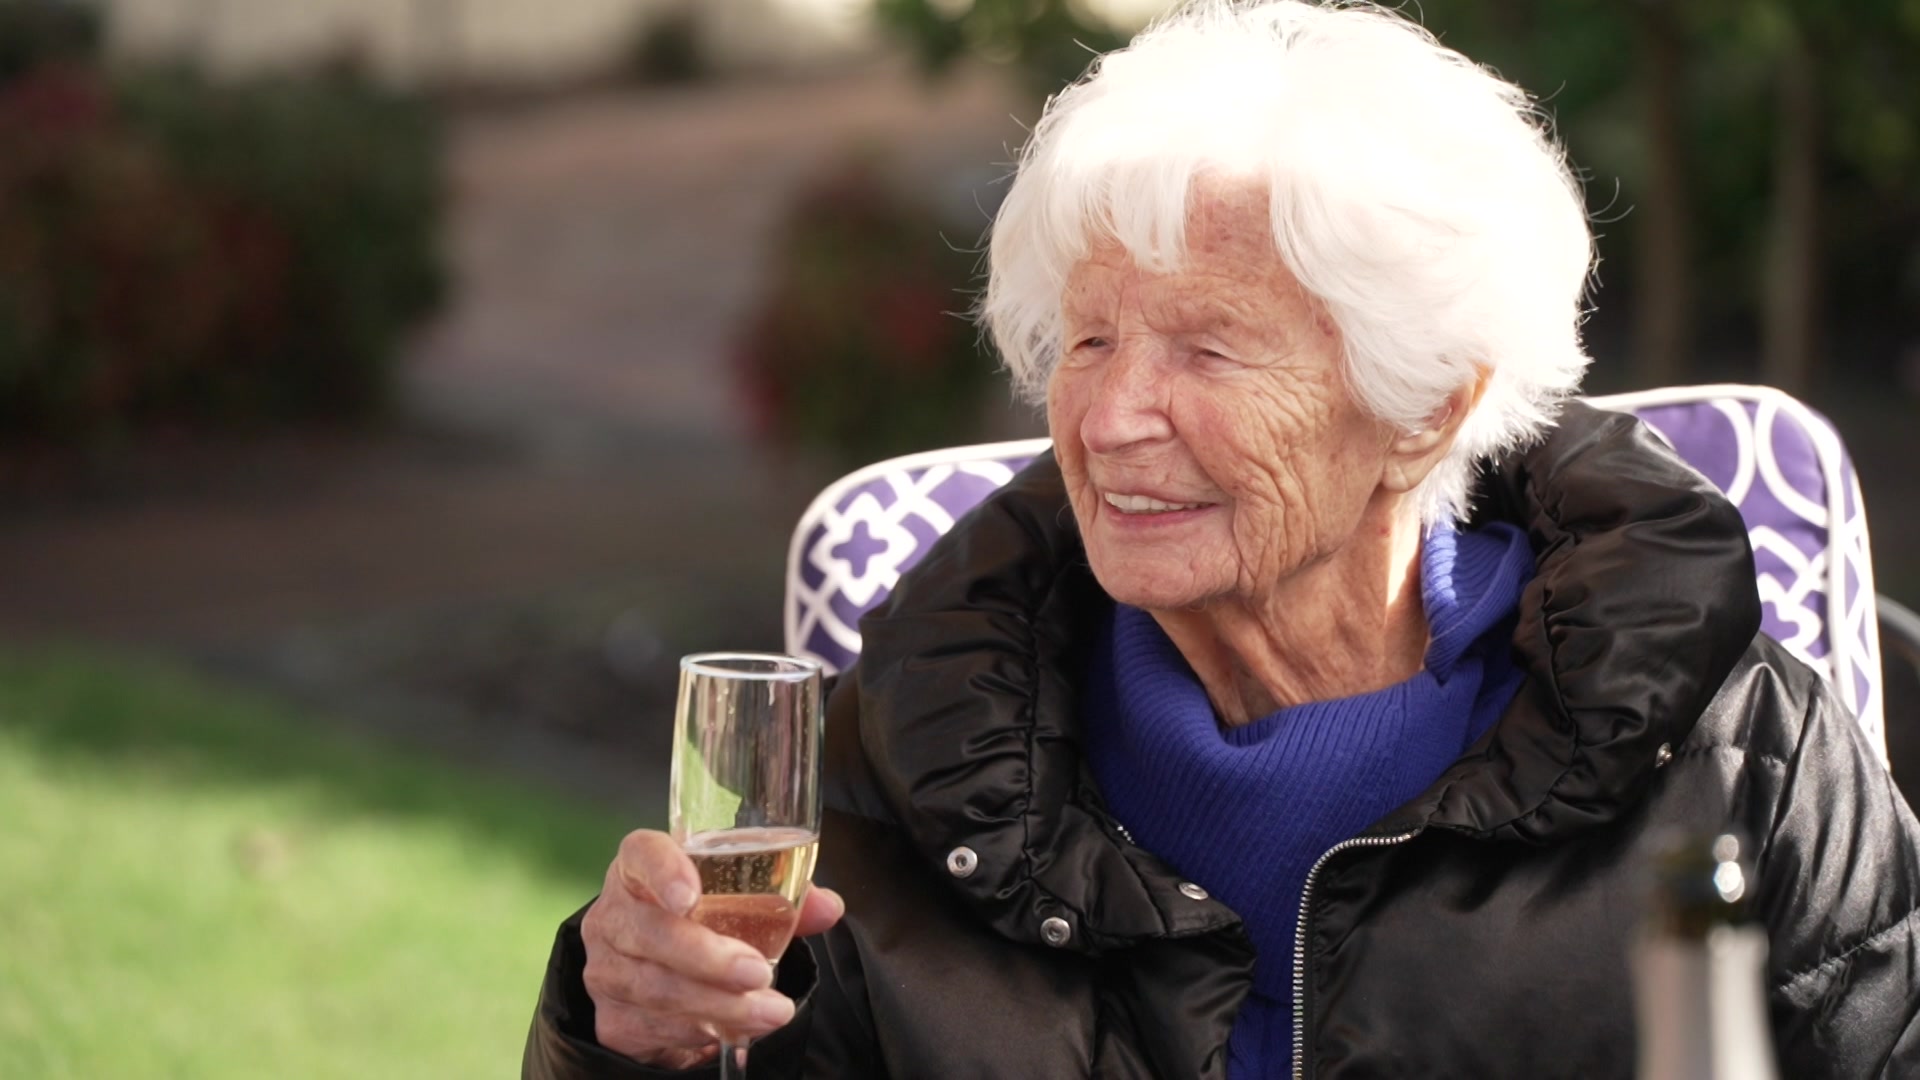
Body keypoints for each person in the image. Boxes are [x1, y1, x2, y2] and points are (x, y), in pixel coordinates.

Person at [525, 1, 1920, 1076]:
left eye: (1209, 348)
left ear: (1427, 407)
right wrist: (626, 1034)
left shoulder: (1740, 758)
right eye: (1087, 338)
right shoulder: (894, 759)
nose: (1114, 416)